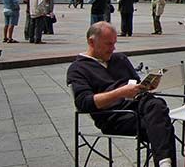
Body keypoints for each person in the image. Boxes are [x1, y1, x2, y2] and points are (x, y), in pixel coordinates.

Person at [67, 22, 176, 167]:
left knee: (156, 106)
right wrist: (120, 93)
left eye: (114, 43)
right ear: (91, 42)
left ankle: (164, 164)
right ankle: (165, 163)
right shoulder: (78, 69)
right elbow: (84, 103)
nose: (113, 48)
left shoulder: (120, 59)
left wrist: (147, 86)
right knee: (162, 126)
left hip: (140, 106)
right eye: (108, 44)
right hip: (114, 116)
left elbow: (136, 85)